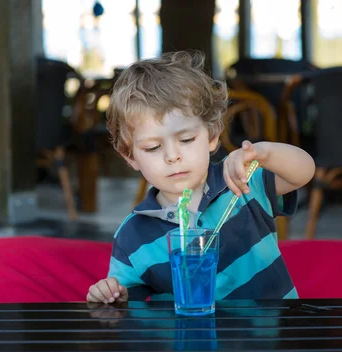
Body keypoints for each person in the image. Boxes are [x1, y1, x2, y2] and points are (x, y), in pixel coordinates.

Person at [86, 50, 315, 304]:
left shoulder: (242, 183)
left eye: (186, 140)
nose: (172, 156)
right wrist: (111, 295)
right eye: (153, 148)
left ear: (213, 135)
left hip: (273, 338)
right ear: (130, 156)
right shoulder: (132, 235)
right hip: (191, 343)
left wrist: (266, 153)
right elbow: (127, 305)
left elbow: (303, 172)